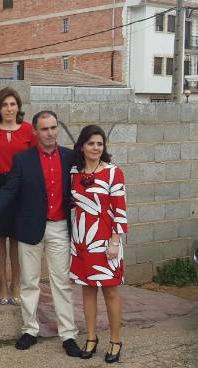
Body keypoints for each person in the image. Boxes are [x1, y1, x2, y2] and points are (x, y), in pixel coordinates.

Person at [0, 111, 81, 357]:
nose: (50, 133)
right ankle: (30, 330)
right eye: (44, 129)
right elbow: (8, 191)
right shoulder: (23, 160)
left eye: (53, 127)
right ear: (35, 132)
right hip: (29, 227)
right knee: (29, 282)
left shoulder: (70, 157)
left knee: (61, 283)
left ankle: (68, 335)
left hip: (59, 227)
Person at [69, 125, 127, 363]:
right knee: (88, 290)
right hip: (82, 241)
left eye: (99, 144)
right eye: (91, 143)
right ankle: (91, 337)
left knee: (110, 291)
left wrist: (115, 241)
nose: (95, 148)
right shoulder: (74, 172)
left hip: (106, 241)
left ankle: (115, 340)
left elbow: (120, 210)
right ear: (82, 146)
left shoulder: (113, 172)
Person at [0, 87, 37, 306]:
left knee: (16, 237)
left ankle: (16, 285)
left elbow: (35, 160)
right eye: (4, 105)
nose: (9, 109)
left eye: (13, 104)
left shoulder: (28, 130)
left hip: (20, 187)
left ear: (18, 107)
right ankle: (2, 285)